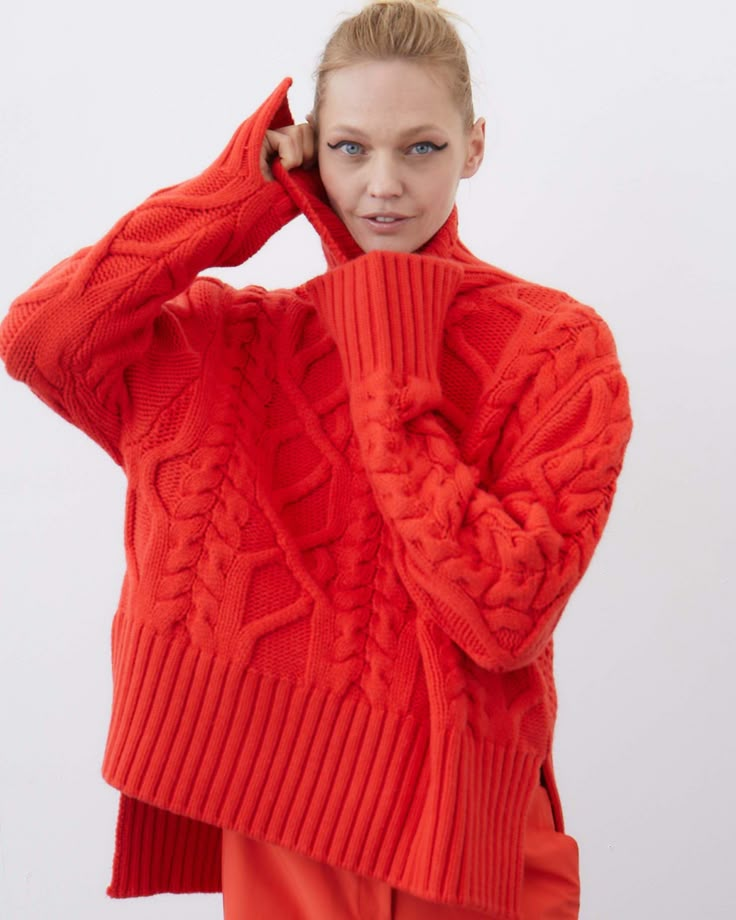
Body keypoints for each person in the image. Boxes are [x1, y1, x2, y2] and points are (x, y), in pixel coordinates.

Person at [0, 0, 632, 917]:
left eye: (421, 147)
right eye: (348, 148)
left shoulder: (555, 345)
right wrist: (234, 193)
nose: (385, 184)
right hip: (286, 823)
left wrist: (384, 346)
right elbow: (43, 339)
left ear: (475, 146)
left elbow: (503, 614)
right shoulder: (245, 341)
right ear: (307, 151)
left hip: (466, 839)